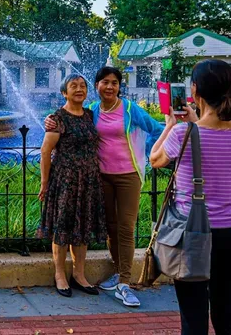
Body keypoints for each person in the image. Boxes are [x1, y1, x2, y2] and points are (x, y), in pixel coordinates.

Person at [45, 67, 163, 307]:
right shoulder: (93, 112)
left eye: (115, 83)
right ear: (97, 86)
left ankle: (125, 283)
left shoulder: (129, 109)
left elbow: (156, 129)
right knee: (105, 227)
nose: (110, 87)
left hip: (127, 175)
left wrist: (152, 155)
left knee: (126, 227)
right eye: (104, 82)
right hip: (98, 178)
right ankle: (111, 272)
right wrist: (47, 120)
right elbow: (62, 124)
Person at [150, 59, 231, 335]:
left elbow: (155, 160)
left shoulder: (183, 133)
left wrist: (170, 125)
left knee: (193, 320)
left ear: (195, 91)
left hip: (193, 233)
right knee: (227, 318)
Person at [38, 74, 108, 297]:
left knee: (82, 226)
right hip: (65, 180)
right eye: (73, 86)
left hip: (88, 181)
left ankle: (79, 274)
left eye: (82, 86)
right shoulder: (57, 118)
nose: (79, 89)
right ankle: (60, 275)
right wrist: (45, 182)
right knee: (63, 226)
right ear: (64, 93)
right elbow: (46, 151)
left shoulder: (89, 114)